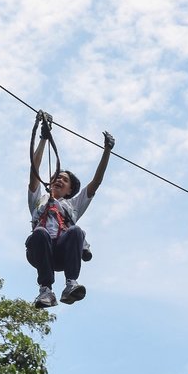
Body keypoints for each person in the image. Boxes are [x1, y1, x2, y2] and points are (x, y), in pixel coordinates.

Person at [27, 114, 114, 308]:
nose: (59, 179)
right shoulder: (38, 200)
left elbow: (96, 183)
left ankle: (70, 285)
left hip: (61, 254)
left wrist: (107, 151)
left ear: (70, 190)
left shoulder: (72, 206)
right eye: (57, 176)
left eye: (64, 180)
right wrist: (43, 138)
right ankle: (46, 290)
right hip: (40, 251)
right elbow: (34, 170)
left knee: (76, 231)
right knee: (40, 232)